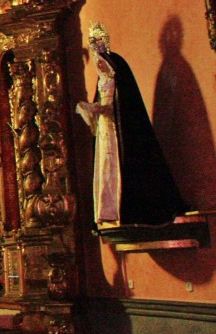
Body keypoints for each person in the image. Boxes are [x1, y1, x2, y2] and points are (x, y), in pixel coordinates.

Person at [76, 22, 188, 227]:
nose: (95, 48)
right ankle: (109, 211)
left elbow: (122, 104)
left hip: (119, 131)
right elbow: (102, 101)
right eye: (93, 43)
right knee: (106, 168)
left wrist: (98, 109)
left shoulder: (117, 67)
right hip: (106, 132)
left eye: (98, 42)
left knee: (122, 167)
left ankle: (128, 209)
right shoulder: (101, 75)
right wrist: (92, 109)